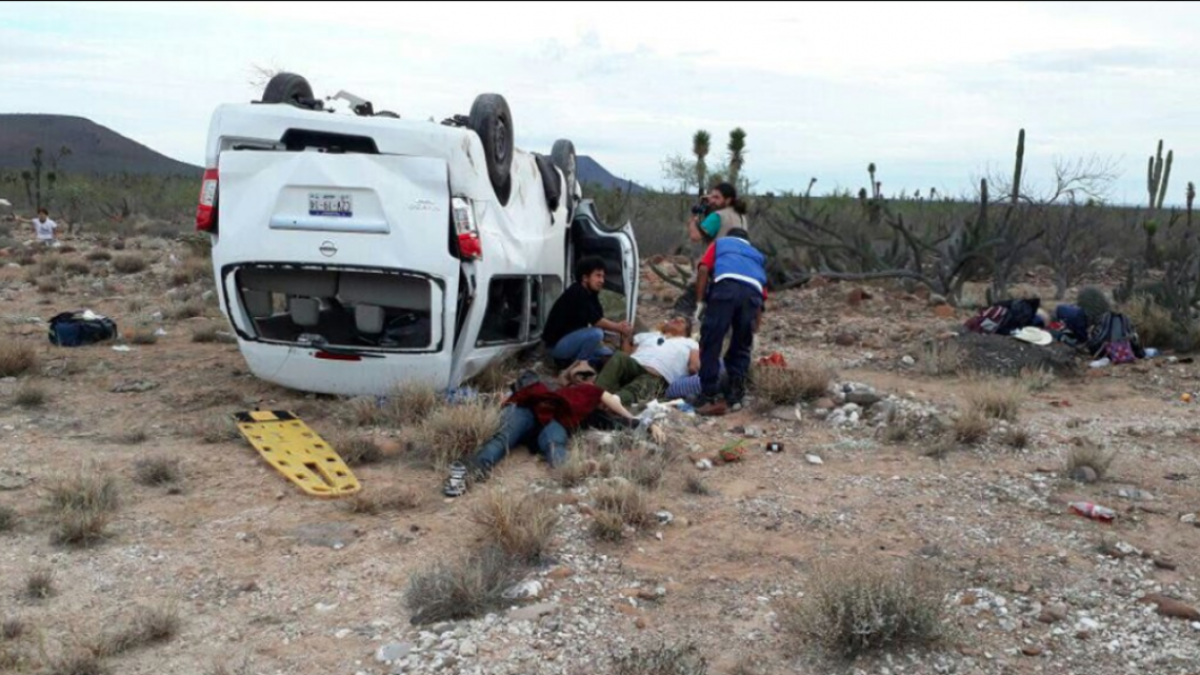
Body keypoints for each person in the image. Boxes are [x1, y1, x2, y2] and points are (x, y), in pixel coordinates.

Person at [443, 362, 646, 497]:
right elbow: (608, 400)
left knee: (521, 440)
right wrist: (633, 418)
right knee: (540, 442)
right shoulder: (587, 390)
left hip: (540, 414)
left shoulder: (579, 402)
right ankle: (467, 471)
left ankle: (468, 471)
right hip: (536, 411)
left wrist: (637, 423)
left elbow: (614, 420)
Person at [693, 228, 768, 416]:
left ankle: (709, 394)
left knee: (712, 339)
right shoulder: (757, 255)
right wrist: (755, 330)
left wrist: (700, 302)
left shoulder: (720, 244)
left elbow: (703, 268)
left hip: (725, 288)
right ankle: (735, 395)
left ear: (729, 237)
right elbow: (762, 295)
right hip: (752, 294)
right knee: (741, 345)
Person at [542, 256, 631, 368]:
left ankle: (580, 360)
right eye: (598, 276)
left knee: (608, 354)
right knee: (596, 333)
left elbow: (599, 317)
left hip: (570, 342)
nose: (602, 280)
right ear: (585, 278)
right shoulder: (577, 292)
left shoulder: (591, 294)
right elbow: (597, 321)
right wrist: (619, 327)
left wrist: (617, 327)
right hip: (556, 346)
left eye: (603, 276)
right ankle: (578, 366)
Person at [594, 315, 699, 406]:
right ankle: (593, 393)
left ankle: (609, 403)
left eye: (682, 321)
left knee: (636, 389)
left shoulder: (690, 343)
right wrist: (626, 338)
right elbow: (628, 354)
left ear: (687, 331)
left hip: (657, 376)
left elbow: (694, 366)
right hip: (634, 366)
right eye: (674, 319)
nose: (677, 321)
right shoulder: (648, 335)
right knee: (619, 357)